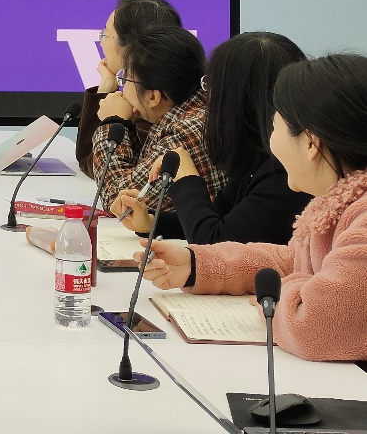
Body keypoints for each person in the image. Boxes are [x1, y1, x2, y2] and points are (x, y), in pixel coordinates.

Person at [139, 54, 367, 362]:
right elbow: (293, 261)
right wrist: (196, 265)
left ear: (311, 144)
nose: (271, 142)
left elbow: (315, 326)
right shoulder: (338, 204)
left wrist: (278, 294)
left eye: (276, 128)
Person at [111, 32, 311, 244]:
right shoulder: (258, 158)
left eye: (210, 86)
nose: (207, 98)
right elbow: (219, 218)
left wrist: (186, 178)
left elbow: (216, 242)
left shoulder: (284, 172)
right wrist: (151, 222)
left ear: (235, 99)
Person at [87, 25, 226, 213]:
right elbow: (138, 171)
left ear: (153, 97)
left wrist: (112, 122)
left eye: (126, 79)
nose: (123, 88)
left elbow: (119, 202)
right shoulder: (197, 108)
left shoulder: (183, 133)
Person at [75, 0, 182, 174]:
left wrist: (113, 120)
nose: (101, 42)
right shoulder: (151, 85)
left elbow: (117, 177)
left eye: (105, 34)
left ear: (131, 45)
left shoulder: (155, 100)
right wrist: (106, 88)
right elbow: (89, 159)